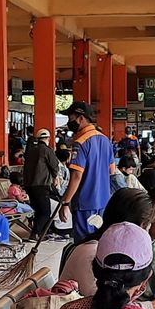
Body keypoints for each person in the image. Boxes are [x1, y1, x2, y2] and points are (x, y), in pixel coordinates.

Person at [58, 101, 115, 241]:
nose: (69, 122)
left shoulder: (81, 142)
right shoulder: (105, 140)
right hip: (103, 202)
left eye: (70, 118)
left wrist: (65, 203)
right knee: (98, 242)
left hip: (85, 203)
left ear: (80, 118)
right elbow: (111, 171)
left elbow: (76, 176)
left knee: (84, 244)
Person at [23, 129, 60, 240]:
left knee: (38, 210)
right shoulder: (47, 150)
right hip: (41, 185)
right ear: (48, 138)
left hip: (29, 185)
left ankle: (41, 233)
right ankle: (35, 233)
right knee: (45, 211)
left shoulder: (30, 151)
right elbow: (54, 165)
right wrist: (55, 177)